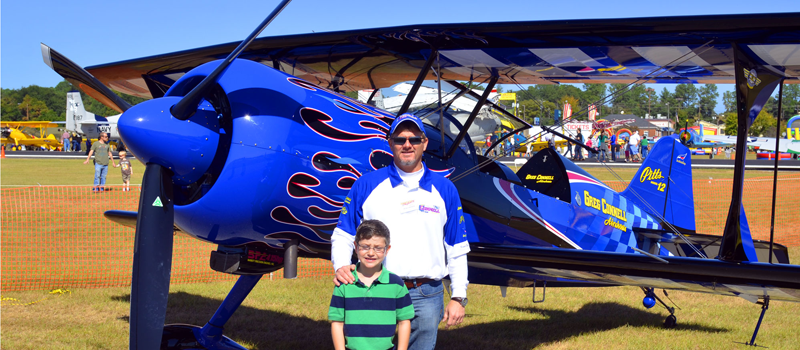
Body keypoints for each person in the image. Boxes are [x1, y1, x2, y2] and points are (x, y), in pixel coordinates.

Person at [332, 113, 470, 350]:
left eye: (414, 139)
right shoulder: (366, 185)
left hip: (426, 293)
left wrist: (458, 297)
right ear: (390, 143)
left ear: (424, 143)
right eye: (400, 139)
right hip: (374, 288)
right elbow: (343, 234)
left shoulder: (445, 189)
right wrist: (341, 266)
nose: (407, 144)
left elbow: (456, 247)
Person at [329, 220, 414, 350]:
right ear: (356, 247)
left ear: (387, 250)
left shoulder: (397, 284)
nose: (371, 253)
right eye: (365, 246)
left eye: (378, 248)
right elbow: (337, 323)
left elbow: (404, 322)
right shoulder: (344, 282)